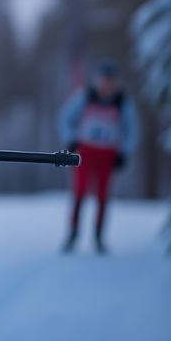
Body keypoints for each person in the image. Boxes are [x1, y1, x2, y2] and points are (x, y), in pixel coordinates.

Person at [58, 58, 139, 254]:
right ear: (97, 80)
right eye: (104, 80)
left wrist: (124, 152)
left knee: (103, 194)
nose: (107, 85)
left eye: (111, 80)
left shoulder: (122, 102)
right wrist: (71, 140)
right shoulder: (86, 97)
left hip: (107, 153)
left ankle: (99, 235)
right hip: (85, 151)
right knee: (79, 191)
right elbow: (65, 118)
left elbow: (132, 130)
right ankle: (73, 232)